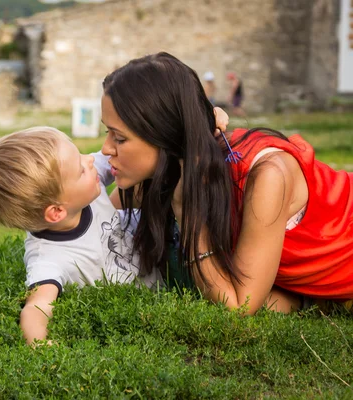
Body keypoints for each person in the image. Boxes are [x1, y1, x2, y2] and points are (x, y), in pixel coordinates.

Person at [100, 52, 353, 315]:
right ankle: (307, 300)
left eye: (119, 138)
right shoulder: (168, 166)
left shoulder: (265, 177)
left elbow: (239, 307)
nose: (106, 149)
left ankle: (310, 300)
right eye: (107, 132)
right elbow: (98, 219)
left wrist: (186, 211)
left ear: (162, 136)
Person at [0, 126, 164, 346]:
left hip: (161, 240)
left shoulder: (83, 182)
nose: (89, 161)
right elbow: (38, 306)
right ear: (57, 212)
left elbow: (127, 156)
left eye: (80, 154)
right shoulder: (48, 258)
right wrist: (38, 343)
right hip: (156, 286)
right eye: (80, 169)